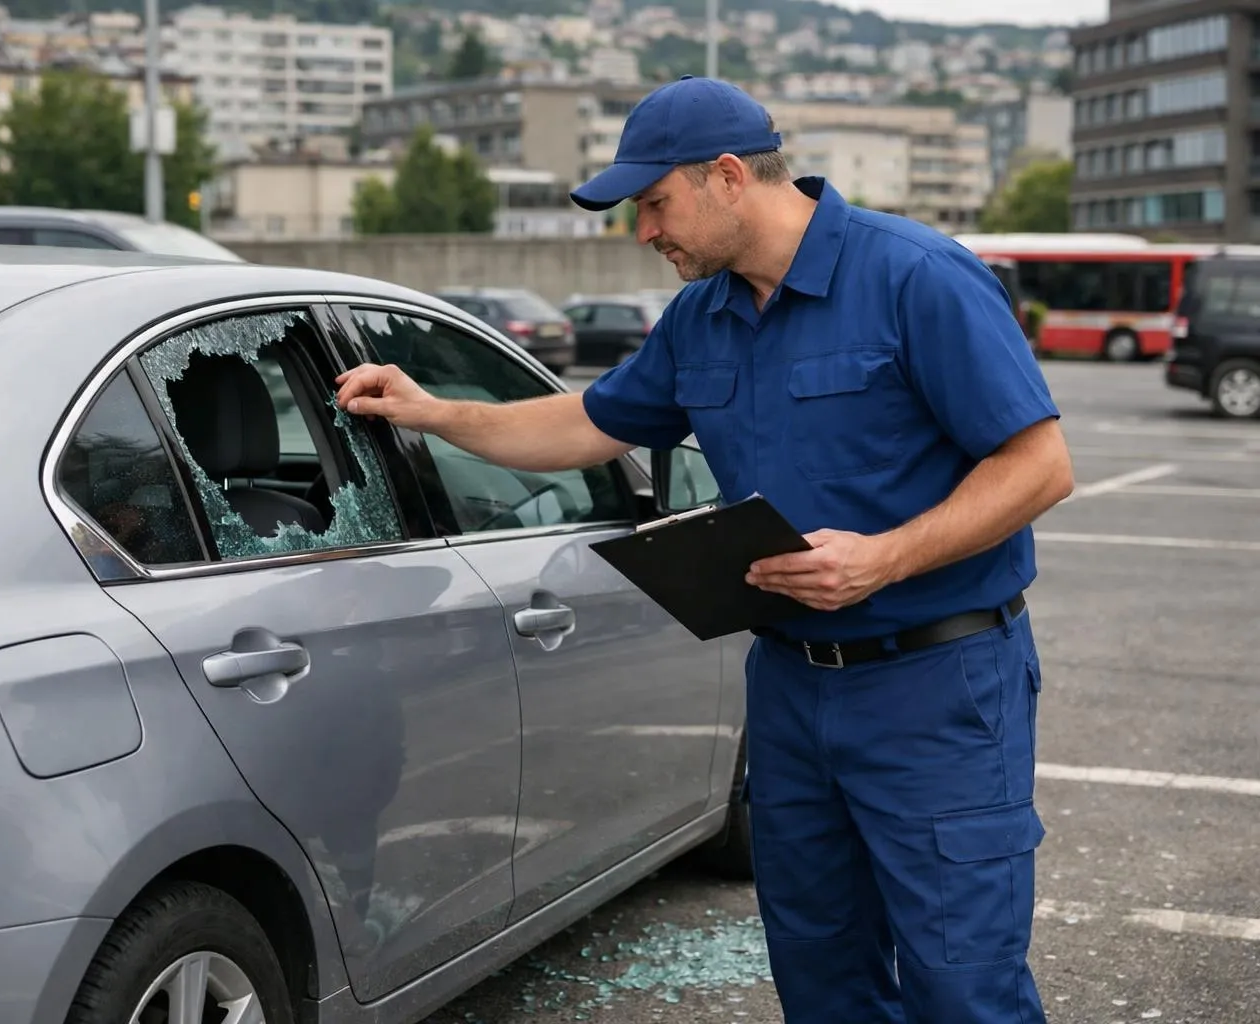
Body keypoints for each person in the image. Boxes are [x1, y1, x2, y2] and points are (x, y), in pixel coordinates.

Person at [335, 75, 1074, 1024]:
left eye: (654, 204)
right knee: (822, 975)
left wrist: (884, 558)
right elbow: (583, 427)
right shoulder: (701, 317)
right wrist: (434, 412)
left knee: (961, 984)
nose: (644, 231)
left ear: (729, 176)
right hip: (790, 685)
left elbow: (1040, 465)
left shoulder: (916, 276)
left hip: (937, 683)